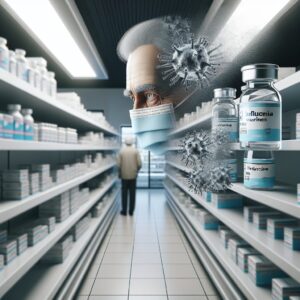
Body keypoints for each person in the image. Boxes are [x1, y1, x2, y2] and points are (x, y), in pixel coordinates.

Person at [117, 136, 142, 216]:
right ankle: (131, 211)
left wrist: (120, 173)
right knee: (132, 194)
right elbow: (139, 164)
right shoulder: (136, 151)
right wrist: (137, 170)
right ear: (132, 142)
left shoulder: (121, 151)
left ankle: (124, 211)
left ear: (125, 142)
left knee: (124, 194)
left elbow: (118, 164)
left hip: (124, 176)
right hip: (133, 176)